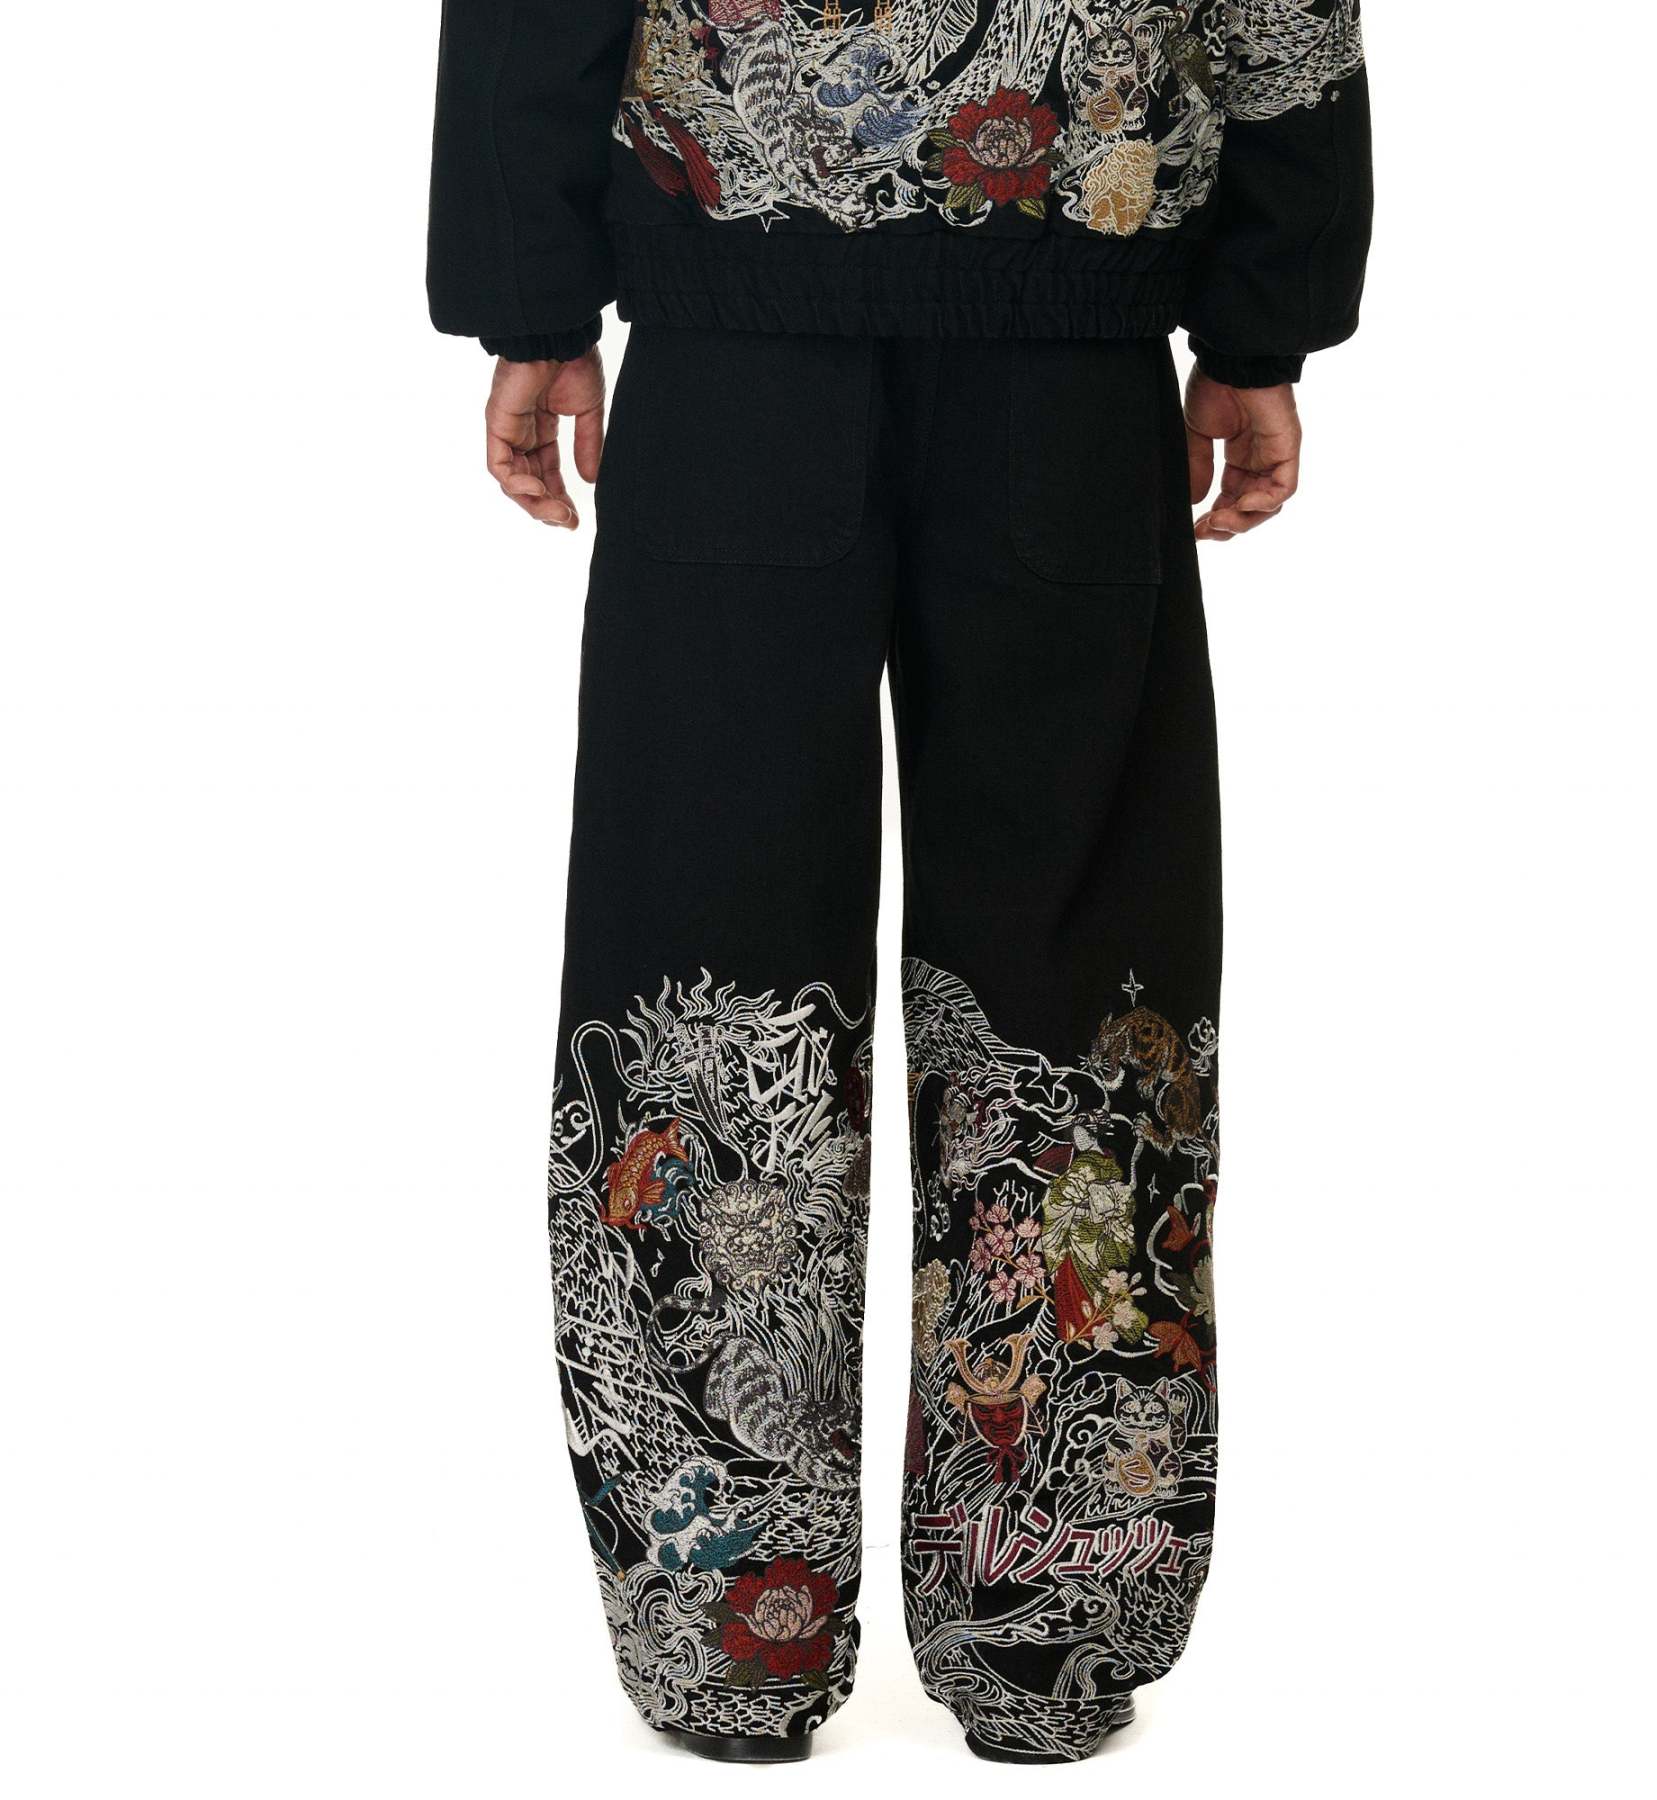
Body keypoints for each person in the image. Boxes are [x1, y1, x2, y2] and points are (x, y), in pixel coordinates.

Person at [428, 0, 1371, 1765]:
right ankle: (1050, 1620)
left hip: (735, 320)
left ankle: (730, 1625)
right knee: (1071, 965)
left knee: (703, 966)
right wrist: (1269, 307)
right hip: (1068, 316)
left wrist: (530, 298)